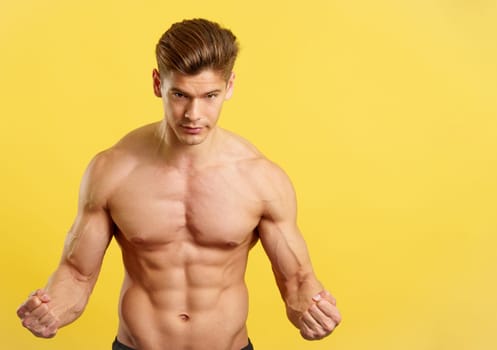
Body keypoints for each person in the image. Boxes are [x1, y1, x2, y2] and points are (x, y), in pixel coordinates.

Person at [16, 18, 341, 350]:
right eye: (180, 95)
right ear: (158, 84)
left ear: (229, 87)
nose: (193, 114)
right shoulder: (112, 171)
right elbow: (76, 274)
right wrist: (51, 309)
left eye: (210, 95)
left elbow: (297, 282)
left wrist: (312, 312)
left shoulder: (260, 180)